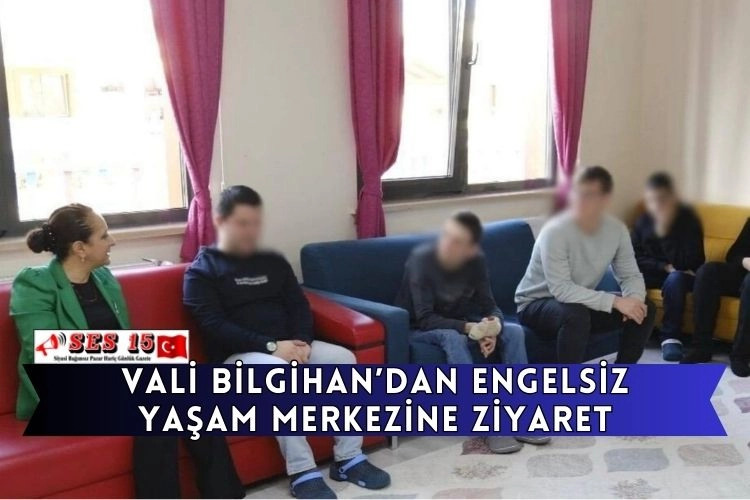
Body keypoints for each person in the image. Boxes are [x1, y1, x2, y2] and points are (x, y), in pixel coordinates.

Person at [10, 204, 243, 499]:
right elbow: (44, 353)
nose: (113, 241)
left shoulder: (104, 279)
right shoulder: (34, 285)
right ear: (80, 248)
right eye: (104, 235)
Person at [183, 186, 390, 500]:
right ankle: (302, 471)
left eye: (256, 222)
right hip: (238, 358)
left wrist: (302, 342)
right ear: (220, 221)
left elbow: (299, 305)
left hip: (288, 346)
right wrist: (272, 347)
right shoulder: (201, 272)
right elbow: (214, 327)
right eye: (242, 223)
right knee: (276, 372)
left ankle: (348, 458)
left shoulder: (273, 261)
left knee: (343, 358)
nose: (251, 231)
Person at [394, 211, 549, 454]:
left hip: (462, 322)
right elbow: (425, 318)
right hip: (417, 329)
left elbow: (490, 306)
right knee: (453, 338)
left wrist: (492, 328)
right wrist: (471, 329)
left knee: (514, 332)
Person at [515, 166, 656, 364]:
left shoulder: (617, 230)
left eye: (588, 195)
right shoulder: (555, 231)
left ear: (605, 199)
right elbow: (561, 290)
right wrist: (616, 302)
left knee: (644, 307)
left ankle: (622, 374)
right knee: (575, 315)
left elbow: (630, 275)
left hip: (578, 301)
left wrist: (634, 301)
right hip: (534, 305)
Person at [631, 172, 704, 361]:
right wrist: (663, 266)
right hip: (656, 271)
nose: (656, 205)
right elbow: (633, 257)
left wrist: (665, 232)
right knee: (622, 273)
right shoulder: (643, 221)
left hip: (684, 276)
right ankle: (628, 331)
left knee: (675, 278)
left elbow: (691, 262)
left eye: (661, 199)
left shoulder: (689, 222)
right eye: (651, 200)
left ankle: (670, 338)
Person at [681, 217, 750, 377]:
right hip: (743, 273)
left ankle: (740, 355)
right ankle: (701, 347)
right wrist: (746, 261)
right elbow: (734, 255)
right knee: (708, 272)